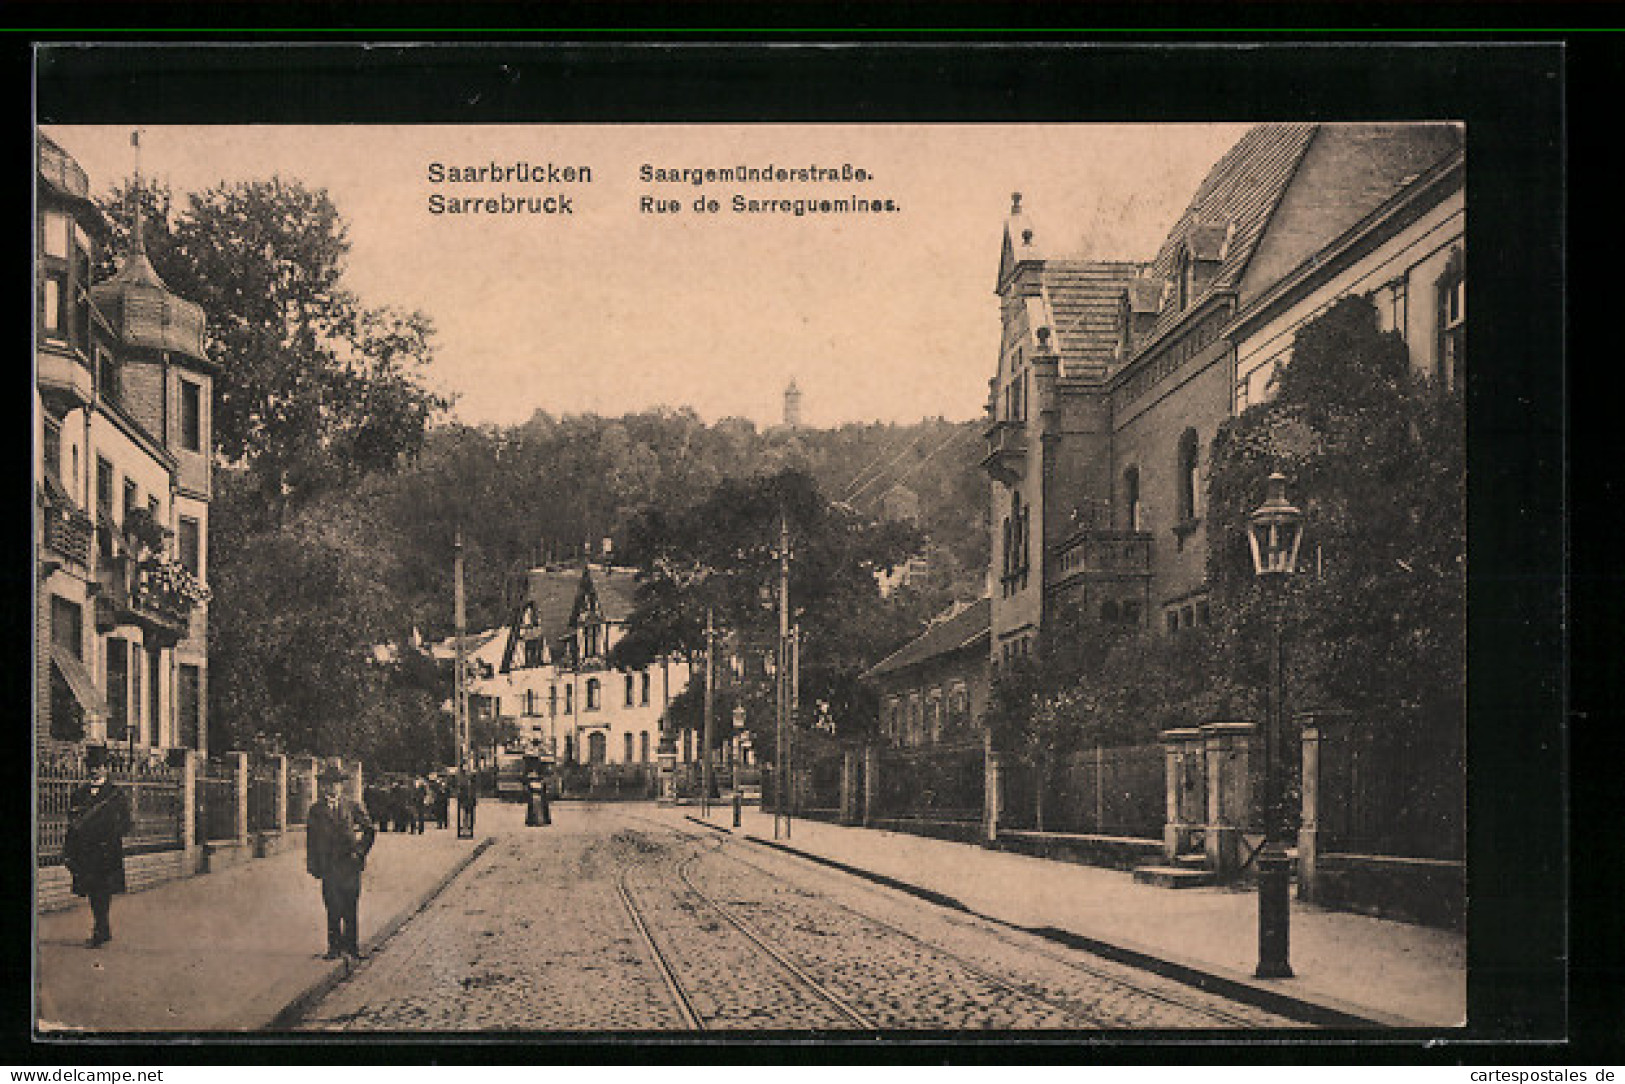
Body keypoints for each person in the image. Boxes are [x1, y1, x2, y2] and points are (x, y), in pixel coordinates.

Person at [62, 745, 130, 948]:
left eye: (98, 766)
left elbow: (126, 822)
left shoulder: (115, 794)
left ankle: (100, 929)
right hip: (86, 850)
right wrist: (68, 850)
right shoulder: (79, 793)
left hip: (107, 849)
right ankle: (103, 927)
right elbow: (72, 822)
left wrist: (110, 834)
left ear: (105, 768)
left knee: (103, 889)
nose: (94, 770)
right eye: (91, 766)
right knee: (92, 889)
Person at [305, 765, 376, 960]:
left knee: (350, 906)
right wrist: (313, 866)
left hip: (350, 865)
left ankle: (352, 947)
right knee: (333, 906)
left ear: (341, 786)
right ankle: (334, 948)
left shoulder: (352, 806)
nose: (332, 788)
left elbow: (369, 830)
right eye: (328, 784)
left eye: (335, 784)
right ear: (322, 787)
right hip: (329, 866)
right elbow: (311, 840)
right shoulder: (316, 810)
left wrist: (359, 853)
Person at [455, 767, 477, 836]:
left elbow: (473, 792)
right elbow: (460, 791)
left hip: (469, 799)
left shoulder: (472, 784)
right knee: (465, 813)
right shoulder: (463, 782)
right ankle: (465, 826)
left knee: (470, 814)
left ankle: (469, 826)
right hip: (465, 799)